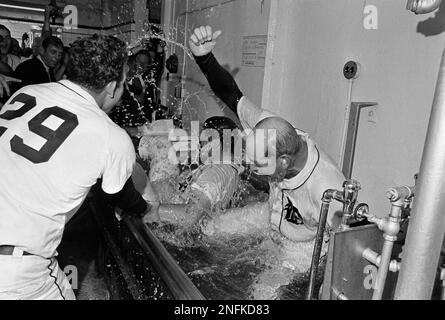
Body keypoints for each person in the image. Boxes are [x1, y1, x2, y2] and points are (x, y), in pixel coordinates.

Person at [188, 27, 346, 299]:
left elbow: (344, 249)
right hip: (268, 215)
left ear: (283, 161)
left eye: (258, 164)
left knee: (259, 295)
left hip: (301, 248)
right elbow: (232, 95)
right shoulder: (268, 127)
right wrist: (205, 59)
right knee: (206, 229)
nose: (251, 168)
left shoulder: (328, 188)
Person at [0, 34, 151, 300]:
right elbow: (117, 194)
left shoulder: (26, 93)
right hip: (15, 269)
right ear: (111, 87)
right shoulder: (111, 136)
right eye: (123, 82)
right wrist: (148, 208)